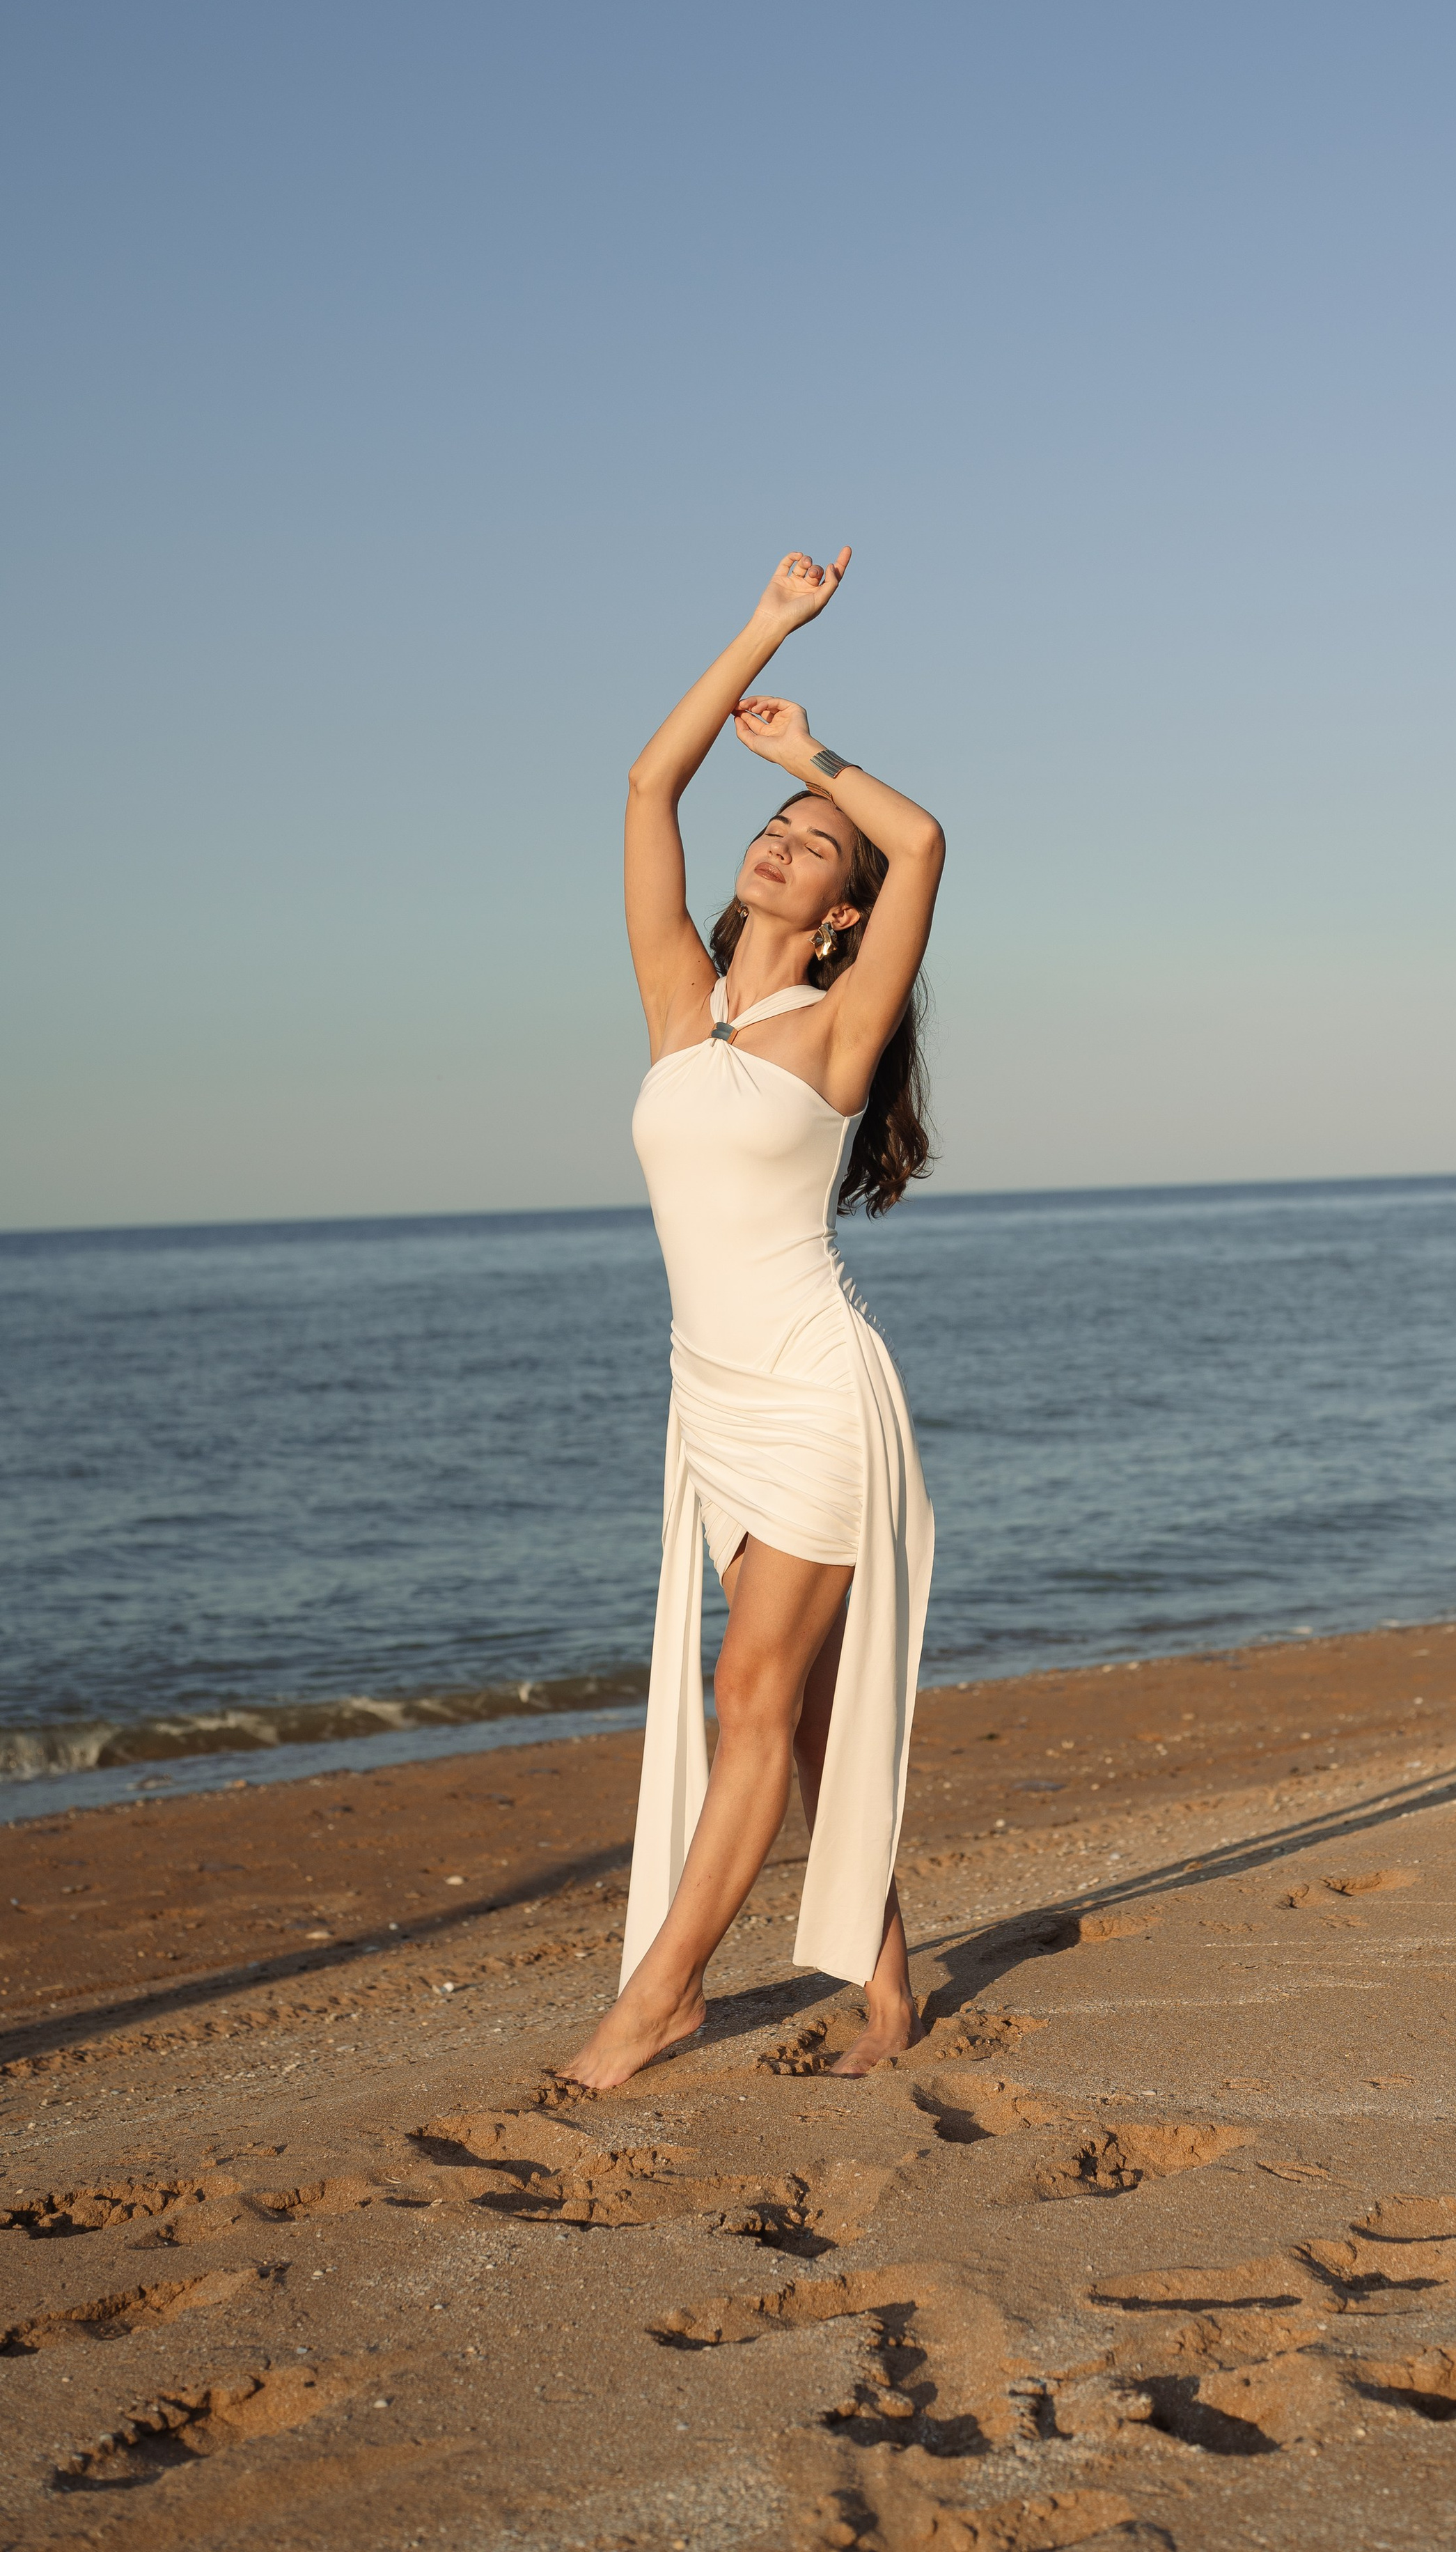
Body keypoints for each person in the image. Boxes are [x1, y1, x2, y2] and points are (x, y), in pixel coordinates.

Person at [558, 549, 944, 2090]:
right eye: (772, 830)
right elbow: (649, 784)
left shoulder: (833, 1032)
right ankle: (895, 1993)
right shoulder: (680, 1001)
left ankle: (656, 2000)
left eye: (808, 845)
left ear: (845, 916)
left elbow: (924, 841)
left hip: (810, 1388)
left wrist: (816, 754)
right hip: (708, 1399)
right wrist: (764, 631)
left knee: (754, 1696)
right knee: (790, 1721)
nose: (781, 842)